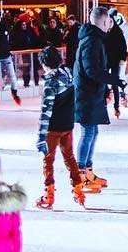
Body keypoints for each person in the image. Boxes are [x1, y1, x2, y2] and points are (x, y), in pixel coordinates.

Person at [34, 46, 84, 210]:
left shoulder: (51, 83)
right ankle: (78, 190)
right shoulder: (68, 74)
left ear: (44, 64)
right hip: (68, 124)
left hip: (53, 128)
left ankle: (49, 194)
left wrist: (41, 136)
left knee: (48, 160)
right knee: (69, 157)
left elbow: (46, 112)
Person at [73, 6, 116, 194]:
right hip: (86, 95)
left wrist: (105, 89)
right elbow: (92, 70)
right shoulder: (91, 40)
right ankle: (80, 175)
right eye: (108, 22)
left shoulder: (94, 39)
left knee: (93, 132)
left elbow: (97, 68)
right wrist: (113, 80)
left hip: (92, 93)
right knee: (88, 132)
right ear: (105, 22)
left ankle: (88, 172)